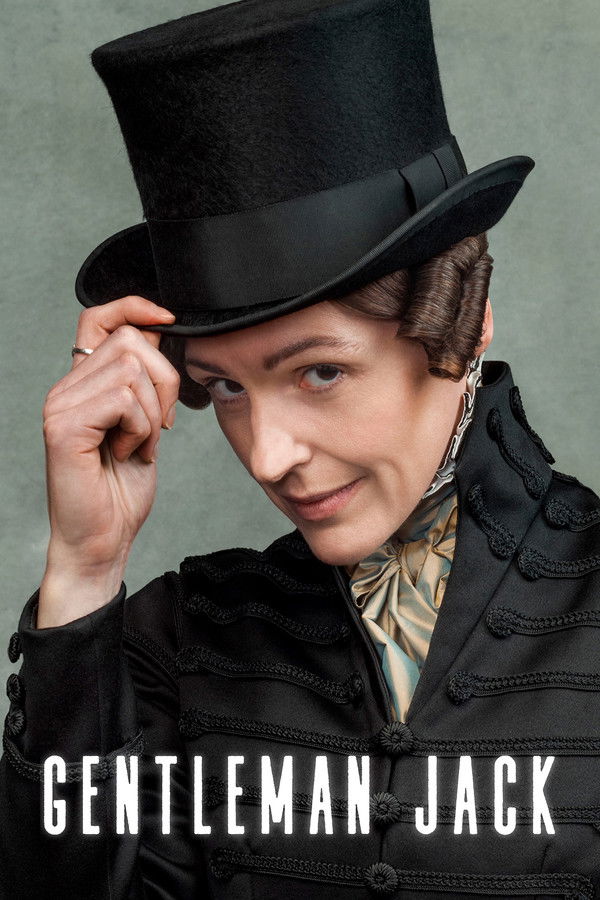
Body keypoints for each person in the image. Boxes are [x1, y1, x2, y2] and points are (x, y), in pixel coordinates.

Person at [2, 0, 600, 898]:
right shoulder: (180, 640)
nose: (267, 457)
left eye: (320, 372)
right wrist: (84, 572)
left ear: (464, 322)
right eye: (227, 388)